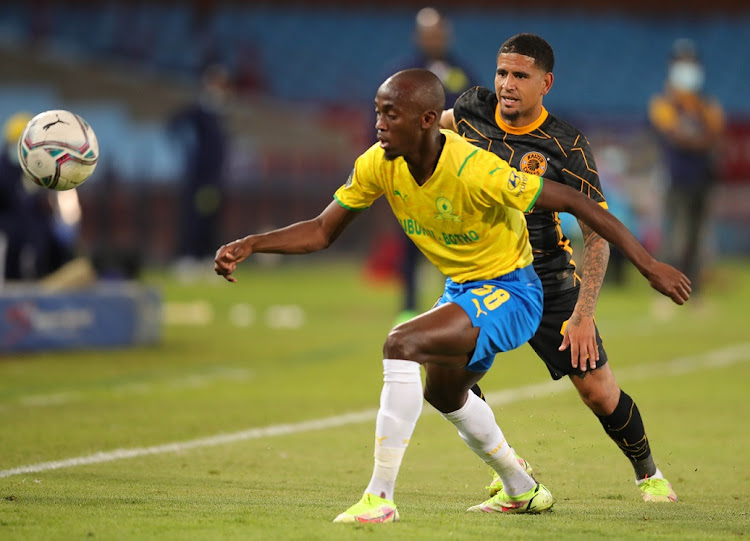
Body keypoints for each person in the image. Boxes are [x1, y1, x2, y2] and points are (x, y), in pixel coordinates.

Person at [215, 69, 690, 523]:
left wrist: (649, 265)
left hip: (516, 291)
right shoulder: (378, 164)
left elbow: (578, 203)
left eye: (390, 114)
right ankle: (522, 489)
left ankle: (379, 498)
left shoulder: (475, 168)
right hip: (464, 288)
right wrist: (253, 244)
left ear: (426, 120)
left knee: (401, 343)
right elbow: (321, 231)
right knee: (442, 392)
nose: (379, 124)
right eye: (378, 112)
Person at [441, 33, 680, 502]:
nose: (507, 84)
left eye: (520, 76)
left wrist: (584, 313)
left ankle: (649, 474)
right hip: (481, 275)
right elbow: (436, 127)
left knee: (598, 392)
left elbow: (597, 231)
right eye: (502, 73)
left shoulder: (565, 144)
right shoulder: (470, 110)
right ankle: (510, 470)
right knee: (448, 372)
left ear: (545, 82)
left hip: (548, 281)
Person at [389, 7, 477, 323]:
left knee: (452, 239)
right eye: (428, 33)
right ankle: (409, 307)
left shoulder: (462, 71)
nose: (434, 39)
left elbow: (476, 111)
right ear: (419, 36)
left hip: (451, 170)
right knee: (410, 240)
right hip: (411, 172)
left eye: (438, 33)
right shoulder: (402, 74)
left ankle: (450, 305)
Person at [648, 38, 724, 299]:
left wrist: (695, 137)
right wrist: (699, 138)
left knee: (696, 238)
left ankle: (695, 293)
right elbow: (676, 135)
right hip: (675, 178)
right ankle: (666, 292)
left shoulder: (705, 104)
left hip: (702, 179)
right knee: (674, 237)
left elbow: (715, 135)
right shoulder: (664, 103)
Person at [168, 64, 231, 265]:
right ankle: (188, 257)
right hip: (200, 176)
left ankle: (206, 257)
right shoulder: (198, 111)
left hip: (215, 177)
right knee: (195, 217)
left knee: (210, 218)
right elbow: (175, 125)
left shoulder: (219, 113)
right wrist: (187, 151)